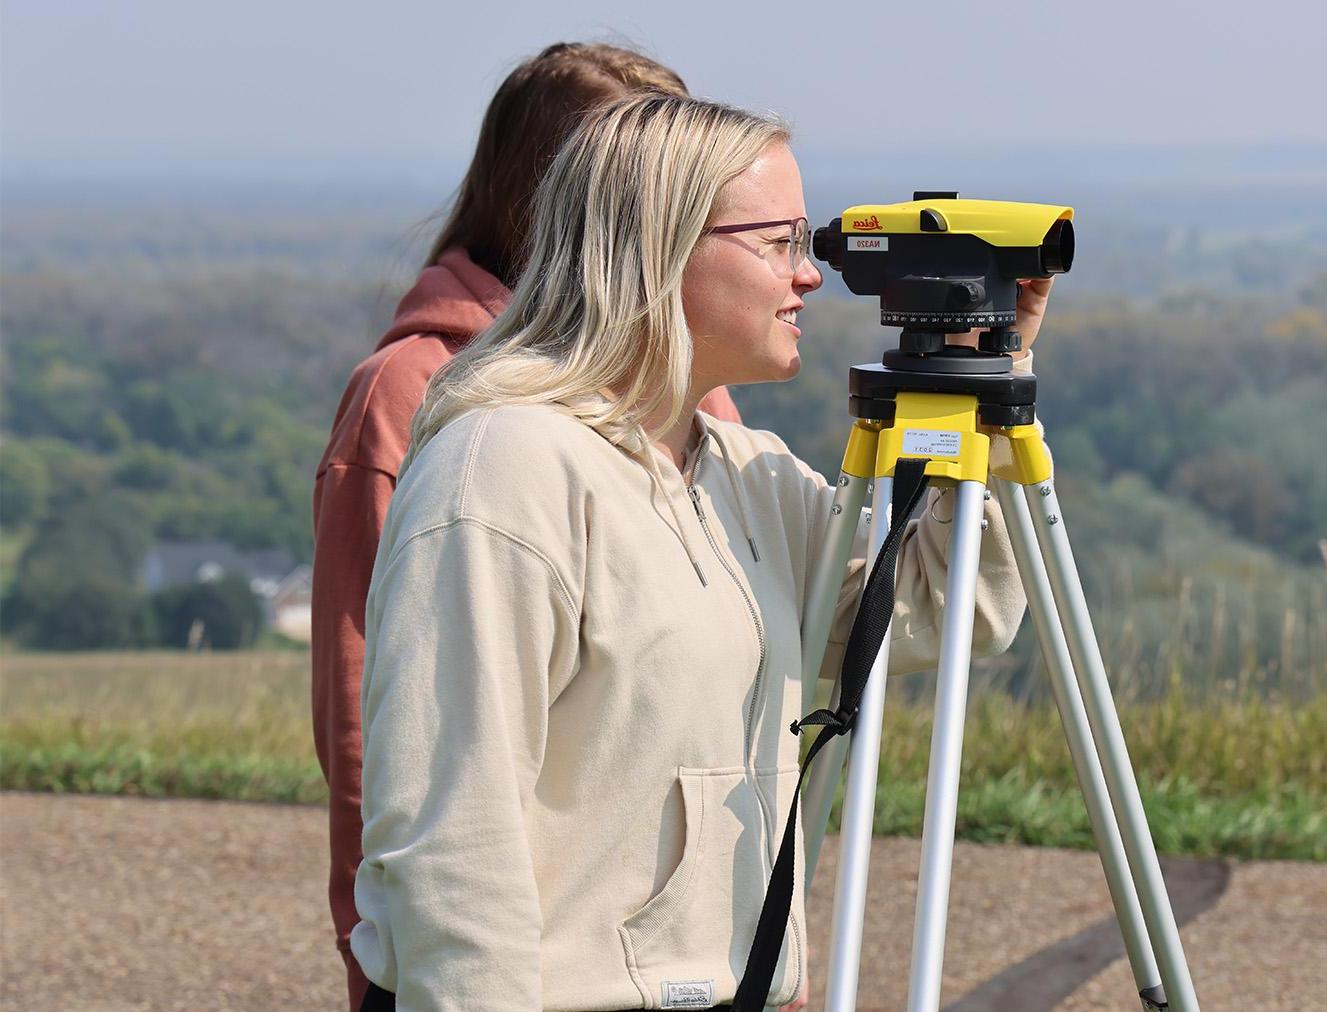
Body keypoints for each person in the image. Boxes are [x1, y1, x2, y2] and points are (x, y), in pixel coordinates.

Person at [349, 93, 1053, 1010]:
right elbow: (450, 830)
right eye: (781, 243)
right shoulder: (503, 467)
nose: (811, 278)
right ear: (661, 247)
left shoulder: (744, 473)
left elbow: (944, 614)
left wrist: (986, 379)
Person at [311, 43, 743, 1011]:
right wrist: (384, 960)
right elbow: (368, 729)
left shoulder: (696, 393)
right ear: (554, 196)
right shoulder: (411, 395)